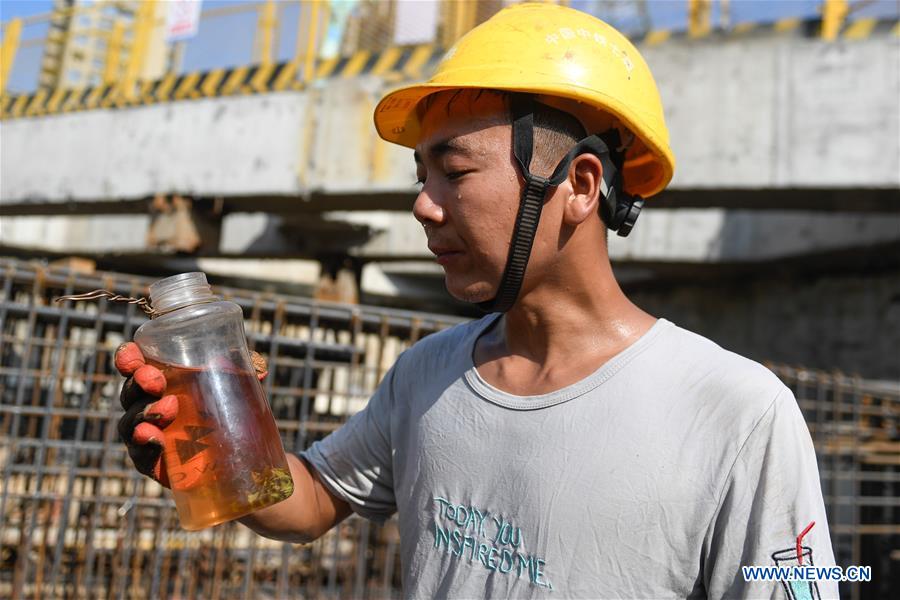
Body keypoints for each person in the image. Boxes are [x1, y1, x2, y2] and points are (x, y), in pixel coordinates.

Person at [116, 4, 837, 598]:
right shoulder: (426, 376)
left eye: (454, 171)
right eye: (419, 175)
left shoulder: (737, 412)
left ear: (580, 185)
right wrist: (218, 448)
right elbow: (308, 503)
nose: (424, 208)